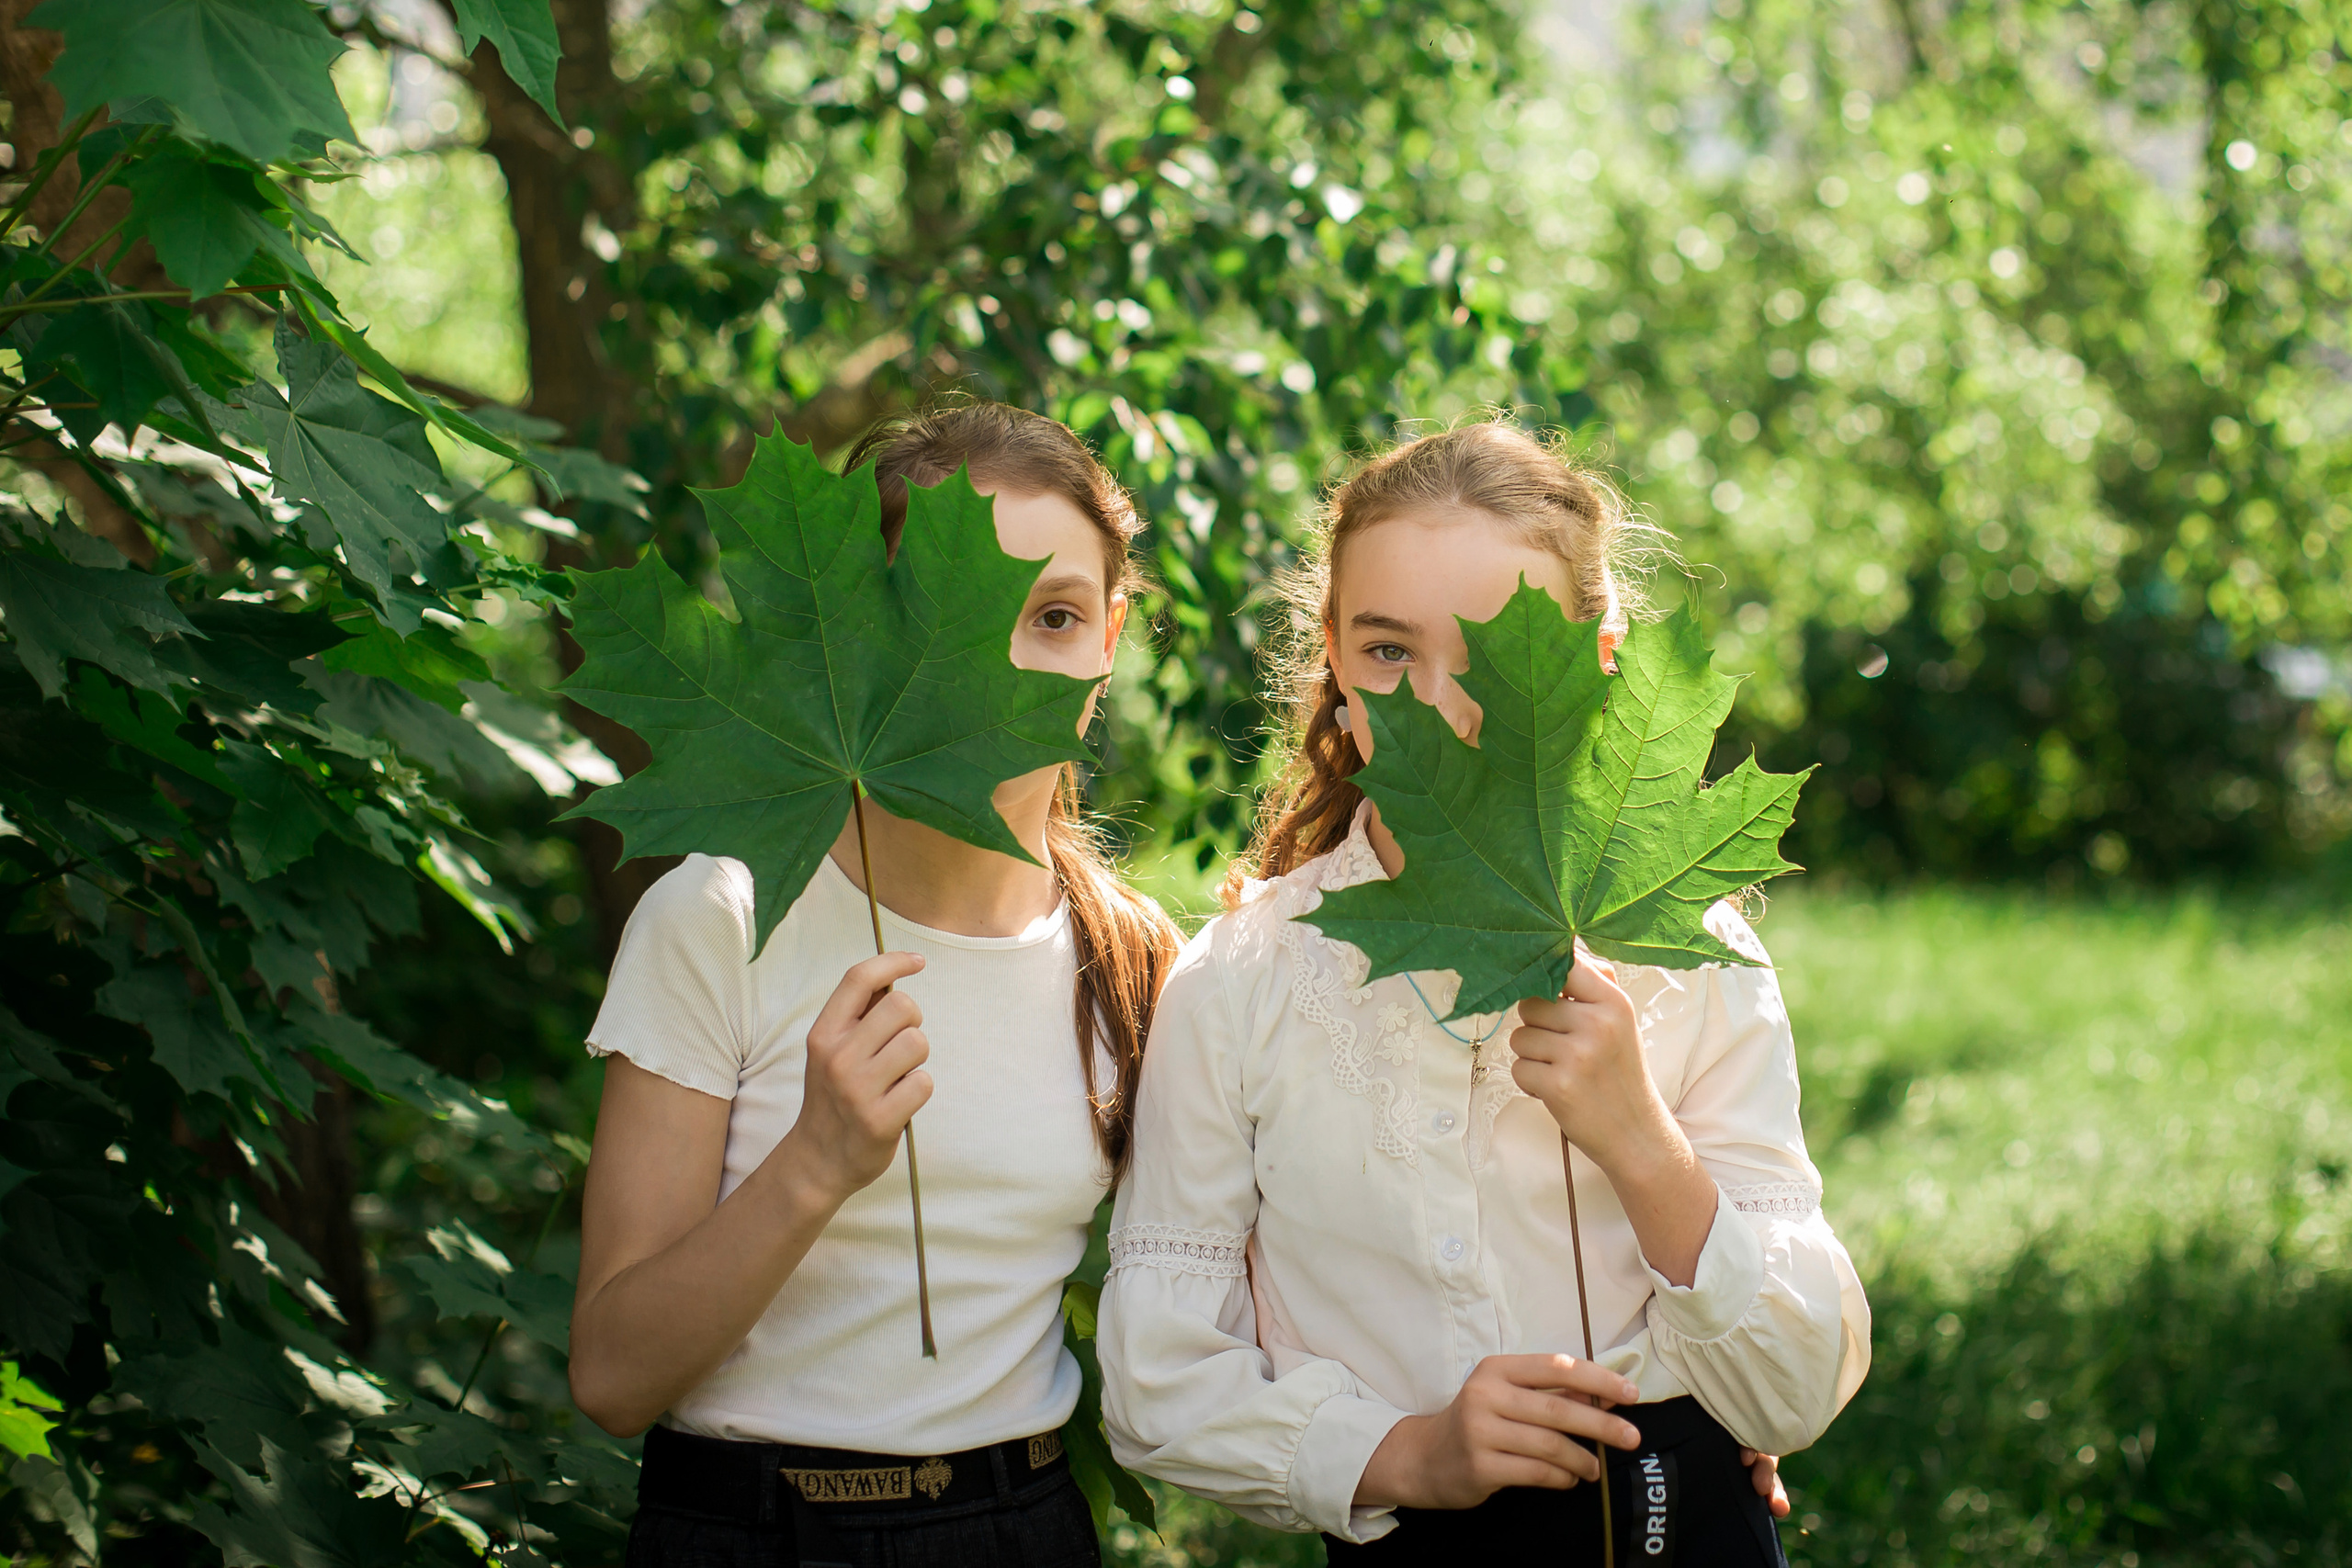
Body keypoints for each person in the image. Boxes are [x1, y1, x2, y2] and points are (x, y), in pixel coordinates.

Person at [1097, 420, 1870, 1562]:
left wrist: (1641, 1144)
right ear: (1334, 661)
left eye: (1494, 660)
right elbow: (1155, 1381)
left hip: (1674, 1524)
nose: (1439, 710)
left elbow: (1795, 1392)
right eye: (1388, 654)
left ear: (1596, 657)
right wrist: (1406, 1454)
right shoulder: (1247, 981)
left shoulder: (1691, 960)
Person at [569, 403, 1182, 1568]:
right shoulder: (723, 917)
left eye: (1055, 617)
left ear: (1109, 640)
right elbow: (609, 1376)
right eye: (947, 623)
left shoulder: (1131, 960)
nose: (1006, 666)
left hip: (1022, 1528)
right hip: (755, 1530)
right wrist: (815, 1163)